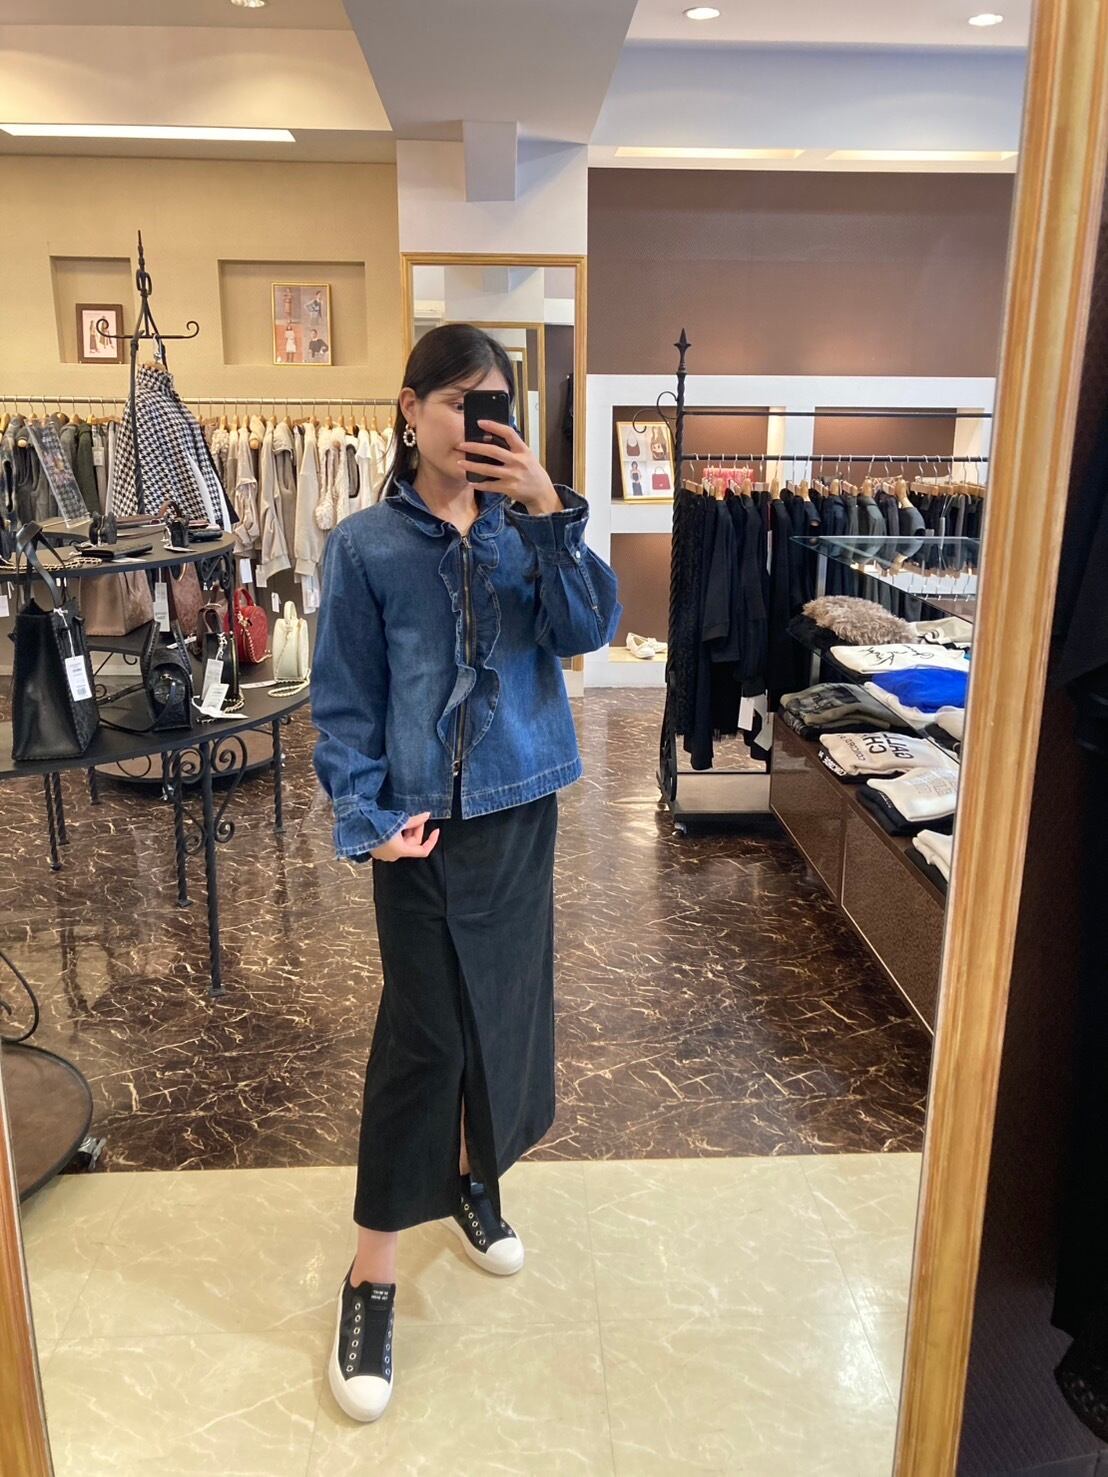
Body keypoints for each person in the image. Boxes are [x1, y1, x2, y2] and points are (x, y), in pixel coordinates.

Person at [311, 323, 622, 1424]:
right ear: (409, 409)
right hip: (418, 827)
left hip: (520, 808)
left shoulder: (526, 528)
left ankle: (473, 1183)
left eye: (493, 405)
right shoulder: (363, 547)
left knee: (503, 1017)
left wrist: (546, 511)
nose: (473, 423)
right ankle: (371, 1275)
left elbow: (586, 630)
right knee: (423, 1040)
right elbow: (345, 700)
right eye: (454, 401)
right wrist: (365, 814)